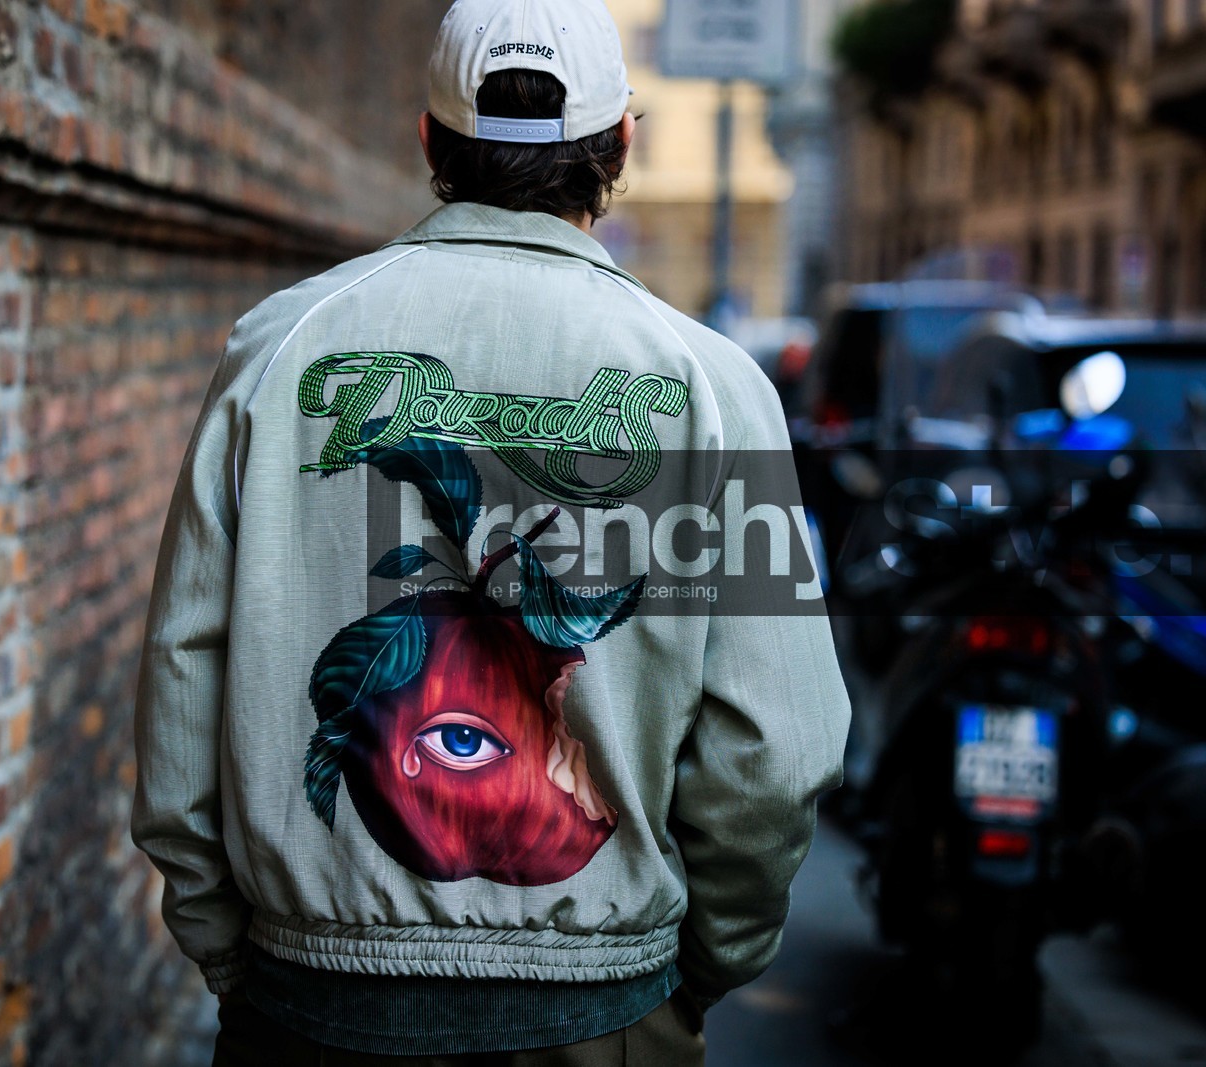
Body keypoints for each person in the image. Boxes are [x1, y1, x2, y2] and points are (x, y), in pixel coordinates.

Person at [130, 1, 851, 1063]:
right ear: (623, 145)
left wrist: (237, 952)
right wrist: (689, 970)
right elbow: (776, 751)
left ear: (430, 140)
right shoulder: (715, 388)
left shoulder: (280, 348)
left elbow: (183, 669)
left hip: (311, 1009)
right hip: (602, 1010)